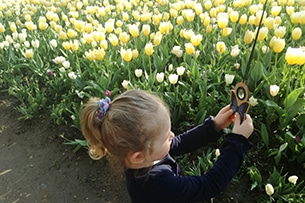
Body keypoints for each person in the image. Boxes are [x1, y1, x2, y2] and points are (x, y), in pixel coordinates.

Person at [80, 89, 253, 203]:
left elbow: (178, 143)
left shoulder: (143, 157)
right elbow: (210, 185)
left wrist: (214, 126)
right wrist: (237, 141)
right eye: (165, 137)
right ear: (138, 156)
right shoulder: (156, 184)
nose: (171, 136)